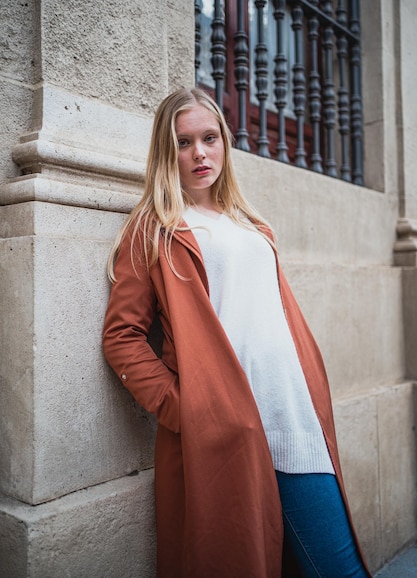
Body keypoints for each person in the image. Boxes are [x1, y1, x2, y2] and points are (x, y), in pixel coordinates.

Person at [102, 88, 371, 578]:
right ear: (167, 153)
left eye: (209, 138)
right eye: (183, 143)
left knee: (339, 566)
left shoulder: (253, 226)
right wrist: (189, 408)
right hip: (225, 435)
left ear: (225, 142)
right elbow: (122, 337)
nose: (199, 153)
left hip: (293, 417)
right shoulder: (154, 230)